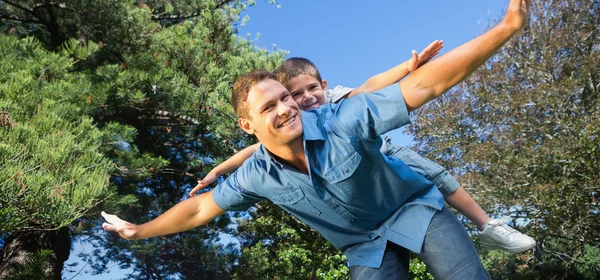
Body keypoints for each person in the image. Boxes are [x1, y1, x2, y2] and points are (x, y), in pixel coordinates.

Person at [102, 0, 547, 279]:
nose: (286, 108)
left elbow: (425, 86)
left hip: (415, 210)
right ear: (248, 127)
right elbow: (200, 206)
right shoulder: (256, 174)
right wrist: (141, 230)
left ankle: (486, 228)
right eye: (269, 107)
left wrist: (506, 27)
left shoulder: (341, 119)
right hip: (364, 247)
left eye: (286, 98)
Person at [189, 46, 535, 253]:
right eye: (296, 94)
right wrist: (221, 169)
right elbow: (256, 151)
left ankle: (487, 225)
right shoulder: (288, 126)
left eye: (313, 89)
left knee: (435, 175)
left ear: (324, 86)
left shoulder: (339, 102)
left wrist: (408, 67)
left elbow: (372, 85)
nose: (306, 99)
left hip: (384, 156)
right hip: (358, 202)